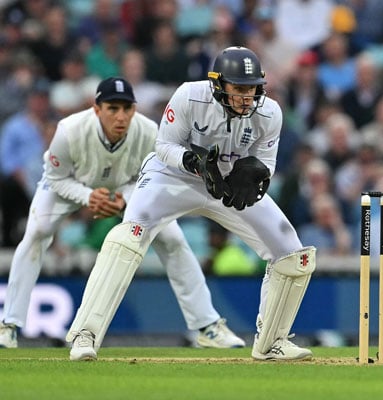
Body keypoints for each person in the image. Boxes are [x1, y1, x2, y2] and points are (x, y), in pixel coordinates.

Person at [65, 47, 316, 362]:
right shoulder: (188, 96)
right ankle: (85, 335)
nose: (245, 97)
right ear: (218, 84)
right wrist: (190, 161)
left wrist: (253, 176)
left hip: (226, 185)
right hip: (172, 178)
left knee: (293, 255)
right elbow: (163, 145)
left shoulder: (270, 112)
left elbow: (267, 163)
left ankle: (272, 343)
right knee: (127, 237)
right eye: (237, 88)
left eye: (250, 88)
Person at [0, 77, 245, 350]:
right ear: (97, 110)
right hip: (70, 182)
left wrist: (124, 199)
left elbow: (155, 176)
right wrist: (88, 197)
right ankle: (8, 325)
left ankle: (207, 326)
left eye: (127, 109)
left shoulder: (149, 131)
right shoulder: (69, 130)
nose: (121, 116)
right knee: (37, 232)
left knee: (174, 239)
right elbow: (56, 178)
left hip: (127, 187)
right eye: (112, 108)